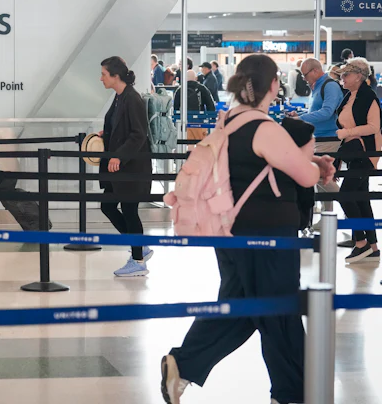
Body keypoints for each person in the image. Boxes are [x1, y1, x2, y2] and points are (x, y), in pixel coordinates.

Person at [161, 54, 335, 404]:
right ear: (273, 84)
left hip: (229, 230)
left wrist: (307, 161)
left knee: (243, 307)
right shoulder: (264, 127)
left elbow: (265, 165)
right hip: (266, 236)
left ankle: (185, 363)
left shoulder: (229, 122)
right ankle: (292, 393)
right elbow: (304, 175)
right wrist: (318, 165)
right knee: (278, 312)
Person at [98, 56, 154, 277]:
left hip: (132, 167)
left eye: (104, 74)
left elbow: (139, 134)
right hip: (120, 168)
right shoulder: (120, 97)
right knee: (107, 205)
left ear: (115, 76)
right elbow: (121, 126)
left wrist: (119, 156)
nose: (100, 78)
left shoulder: (132, 98)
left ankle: (138, 260)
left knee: (129, 210)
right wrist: (107, 134)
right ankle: (139, 246)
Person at [335, 58, 381, 264]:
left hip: (365, 154)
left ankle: (360, 242)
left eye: (347, 74)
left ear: (359, 76)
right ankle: (373, 247)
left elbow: (373, 127)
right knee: (361, 199)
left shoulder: (368, 97)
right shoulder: (350, 96)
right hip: (355, 154)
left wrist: (347, 132)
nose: (342, 78)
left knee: (345, 195)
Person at [290, 58, 343, 214]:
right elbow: (315, 112)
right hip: (319, 137)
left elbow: (327, 112)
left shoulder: (330, 86)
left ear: (315, 71)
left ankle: (349, 204)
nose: (304, 79)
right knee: (323, 177)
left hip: (330, 137)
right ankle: (328, 216)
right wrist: (299, 115)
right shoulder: (318, 86)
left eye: (305, 75)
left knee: (321, 176)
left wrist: (300, 118)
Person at [173, 70, 215, 141]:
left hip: (184, 123)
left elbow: (175, 107)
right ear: (195, 78)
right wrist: (211, 120)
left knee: (187, 143)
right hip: (200, 122)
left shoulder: (180, 89)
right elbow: (210, 105)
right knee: (200, 143)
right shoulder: (202, 88)